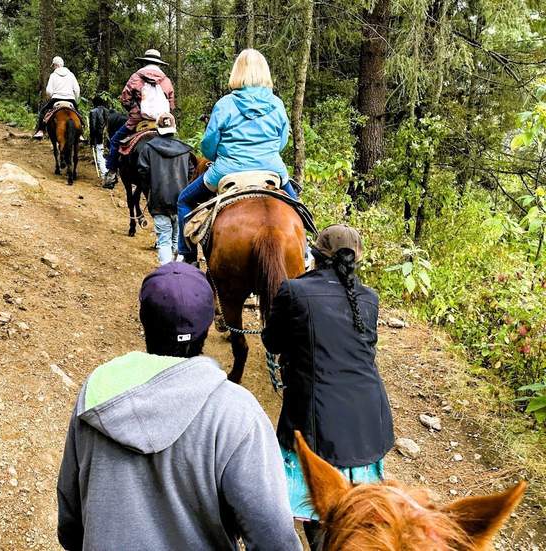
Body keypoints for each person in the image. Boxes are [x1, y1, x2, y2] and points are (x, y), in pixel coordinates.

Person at [57, 262, 302, 551]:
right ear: (210, 324)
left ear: (143, 318)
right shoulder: (237, 412)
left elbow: (70, 520)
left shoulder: (97, 390)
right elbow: (274, 537)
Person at [261, 224, 395, 549]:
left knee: (323, 517)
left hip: (317, 423)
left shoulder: (293, 291)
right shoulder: (370, 299)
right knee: (359, 510)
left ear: (316, 255)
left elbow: (272, 340)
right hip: (369, 420)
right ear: (357, 260)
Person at [177, 49, 298, 264]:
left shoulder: (225, 104)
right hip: (271, 170)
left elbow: (208, 145)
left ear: (237, 72)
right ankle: (305, 254)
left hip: (227, 171)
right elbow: (282, 142)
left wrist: (220, 155)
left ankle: (188, 257)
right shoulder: (277, 104)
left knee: (184, 200)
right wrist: (266, 153)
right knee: (298, 208)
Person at [102, 49, 175, 188]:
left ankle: (111, 174)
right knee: (175, 144)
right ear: (159, 64)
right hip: (162, 123)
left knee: (115, 141)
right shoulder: (166, 81)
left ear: (144, 62)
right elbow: (171, 105)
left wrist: (133, 110)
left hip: (138, 120)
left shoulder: (136, 77)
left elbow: (125, 99)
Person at [137, 113, 194, 265]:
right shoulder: (185, 150)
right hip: (181, 201)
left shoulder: (148, 148)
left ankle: (166, 271)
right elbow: (190, 173)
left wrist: (150, 191)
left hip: (158, 200)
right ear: (174, 129)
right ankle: (176, 269)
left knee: (163, 239)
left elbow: (142, 173)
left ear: (158, 128)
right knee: (177, 238)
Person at [33, 56, 80, 139]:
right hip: (70, 99)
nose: (53, 67)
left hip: (56, 99)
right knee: (79, 115)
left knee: (43, 111)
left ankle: (41, 131)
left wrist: (51, 97)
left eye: (53, 65)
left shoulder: (53, 75)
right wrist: (75, 100)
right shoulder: (71, 74)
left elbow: (49, 91)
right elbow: (77, 90)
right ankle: (80, 134)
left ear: (55, 65)